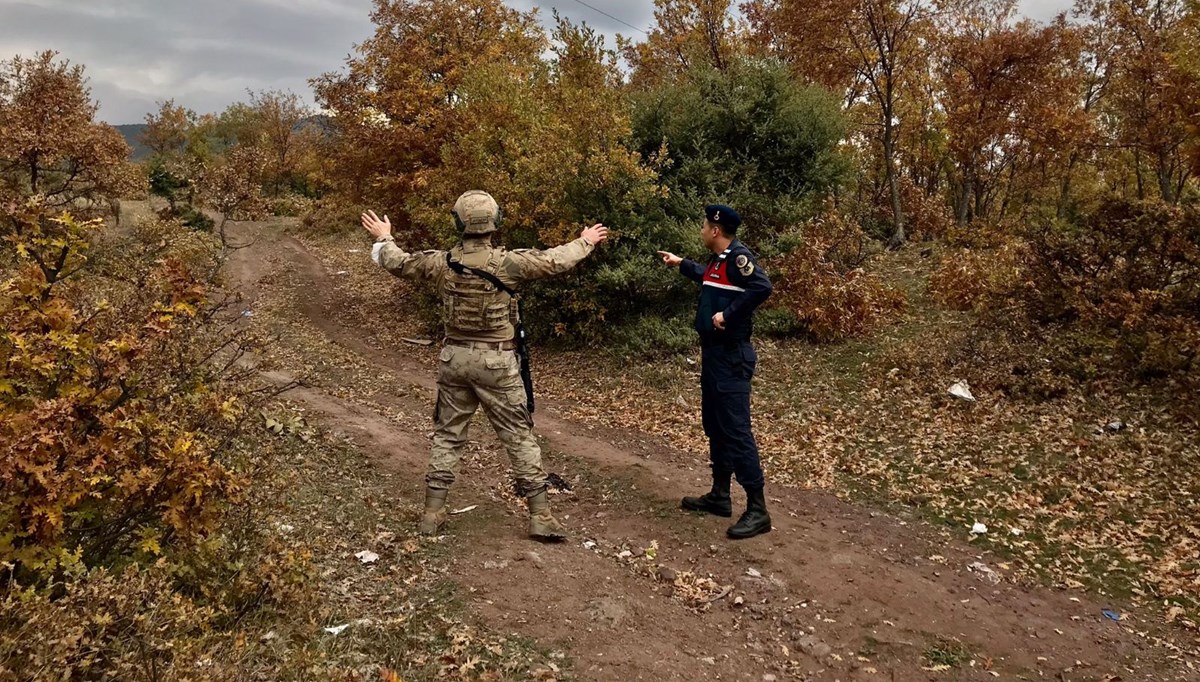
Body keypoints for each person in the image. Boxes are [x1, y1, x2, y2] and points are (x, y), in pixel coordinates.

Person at [361, 190, 609, 540]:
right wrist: (586, 241)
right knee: (518, 436)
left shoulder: (441, 262)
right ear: (496, 222)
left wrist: (384, 236)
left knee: (448, 435)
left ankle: (432, 513)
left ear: (459, 222)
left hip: (454, 358)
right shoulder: (509, 264)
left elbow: (398, 262)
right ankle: (540, 515)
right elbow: (555, 260)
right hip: (497, 361)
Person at [657, 204, 774, 539]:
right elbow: (707, 278)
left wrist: (730, 315)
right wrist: (680, 264)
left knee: (736, 430)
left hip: (731, 356)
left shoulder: (739, 258)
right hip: (713, 356)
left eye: (705, 225)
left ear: (716, 231)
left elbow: (762, 288)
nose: (702, 229)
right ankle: (720, 496)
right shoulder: (718, 262)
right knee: (716, 424)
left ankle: (757, 508)